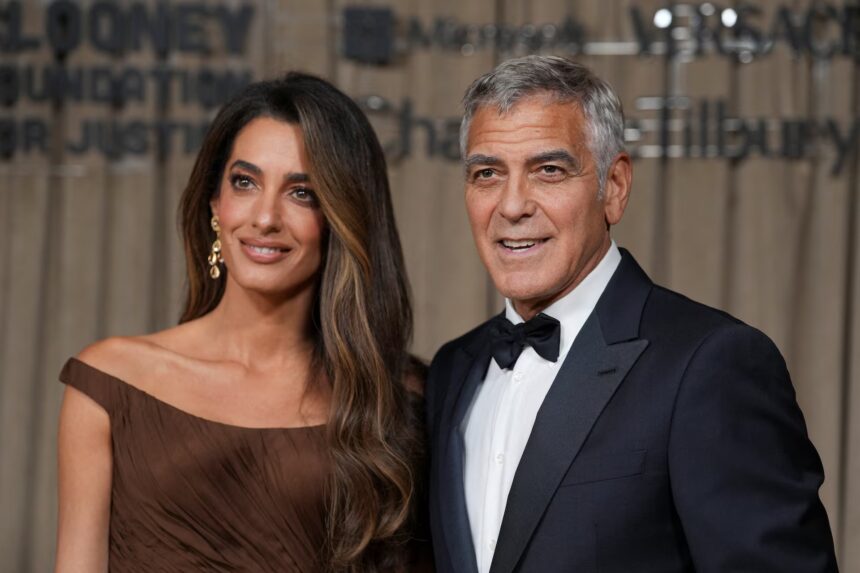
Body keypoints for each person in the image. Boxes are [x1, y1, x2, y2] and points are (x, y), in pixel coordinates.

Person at [425, 55, 838, 573]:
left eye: (548, 171)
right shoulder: (452, 370)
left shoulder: (712, 364)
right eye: (487, 173)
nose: (512, 206)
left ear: (614, 187)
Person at [56, 73, 428, 573]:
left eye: (302, 193)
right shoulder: (110, 381)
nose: (265, 218)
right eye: (245, 182)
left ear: (341, 218)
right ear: (215, 202)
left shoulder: (395, 396)